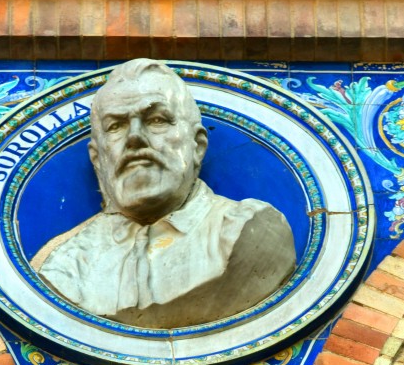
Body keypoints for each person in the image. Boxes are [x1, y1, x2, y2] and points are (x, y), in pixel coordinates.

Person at [33, 59, 296, 329]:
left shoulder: (247, 229)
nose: (135, 138)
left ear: (197, 146)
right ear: (98, 159)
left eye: (156, 120)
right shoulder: (66, 263)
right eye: (116, 126)